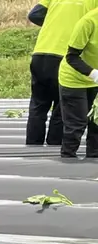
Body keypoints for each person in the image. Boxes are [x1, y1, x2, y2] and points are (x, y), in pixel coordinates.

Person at [27, 0, 98, 146]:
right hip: (64, 55)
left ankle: (32, 148)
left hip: (40, 53)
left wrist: (54, 25)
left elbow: (34, 15)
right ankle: (54, 150)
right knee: (62, 108)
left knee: (38, 106)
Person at [58, 6, 98, 158]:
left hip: (95, 81)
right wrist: (93, 74)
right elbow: (72, 57)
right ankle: (68, 161)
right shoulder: (89, 21)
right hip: (74, 80)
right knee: (76, 124)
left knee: (96, 123)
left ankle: (93, 161)